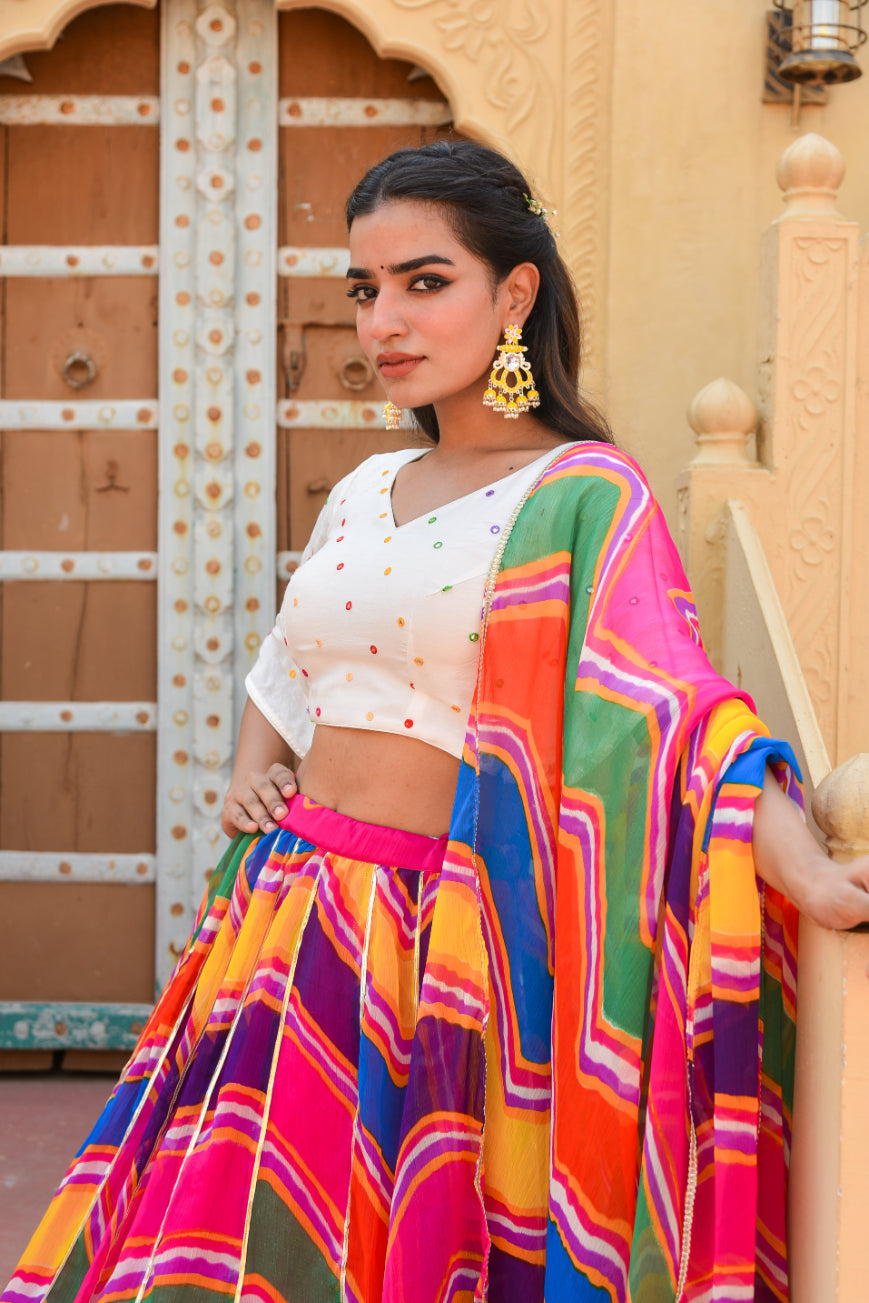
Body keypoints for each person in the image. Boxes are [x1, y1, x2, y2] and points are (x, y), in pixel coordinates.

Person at [5, 140, 869, 1303]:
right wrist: (245, 775)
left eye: (424, 281)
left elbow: (667, 714)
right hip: (286, 918)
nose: (383, 323)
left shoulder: (582, 492)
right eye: (364, 291)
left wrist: (808, 872)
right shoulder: (366, 485)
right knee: (227, 1249)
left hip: (441, 945)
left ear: (512, 293)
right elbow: (288, 663)